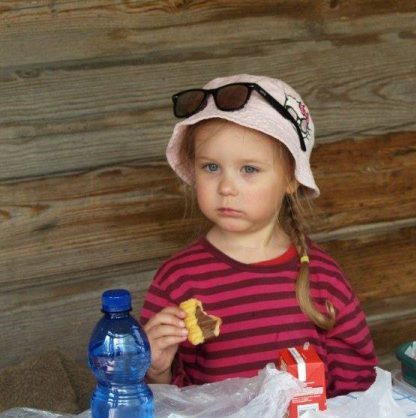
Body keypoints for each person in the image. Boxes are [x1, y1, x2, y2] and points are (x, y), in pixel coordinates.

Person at [140, 74, 377, 397]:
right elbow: (156, 404)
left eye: (249, 169)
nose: (226, 187)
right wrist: (156, 370)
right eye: (211, 167)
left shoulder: (322, 277)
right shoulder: (178, 279)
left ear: (291, 178)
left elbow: (358, 387)